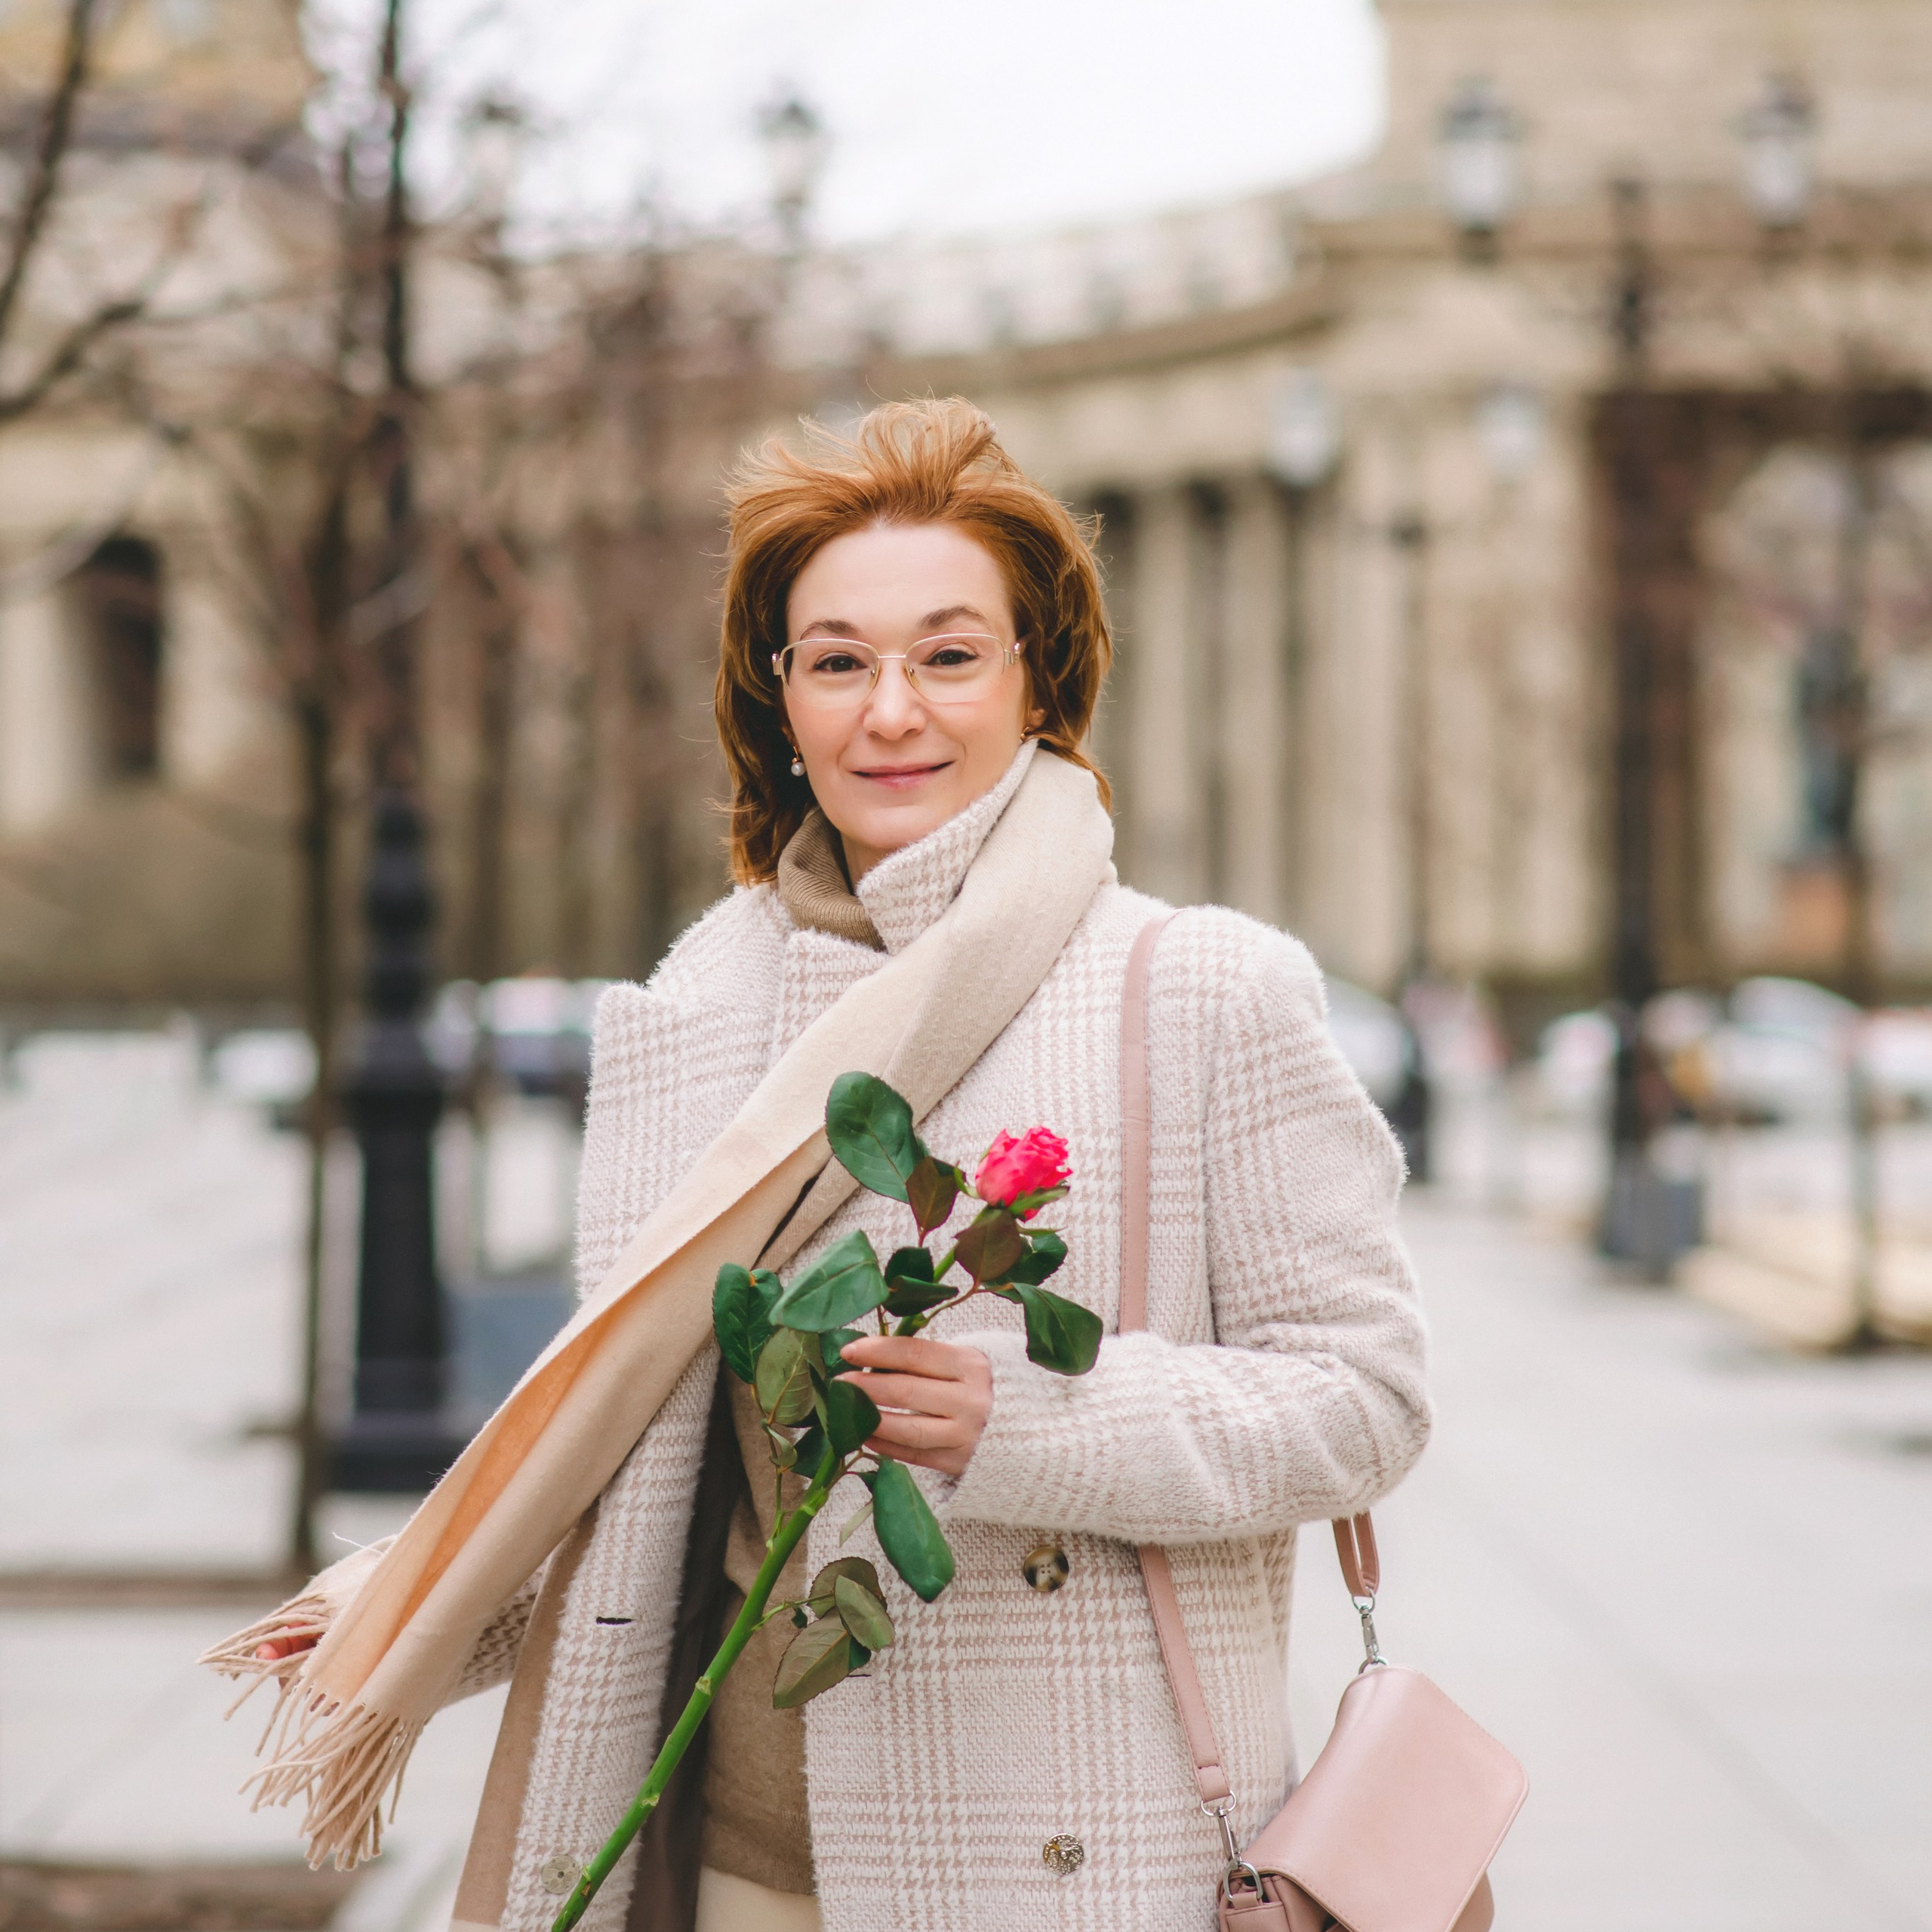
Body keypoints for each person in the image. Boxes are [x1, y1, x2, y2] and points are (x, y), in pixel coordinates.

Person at [215, 398, 1429, 1932]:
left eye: (948, 652)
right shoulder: (687, 1018)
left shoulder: (1196, 990)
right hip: (734, 1863)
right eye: (838, 659)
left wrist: (1031, 1412)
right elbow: (639, 1457)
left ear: (1039, 680)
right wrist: (408, 1602)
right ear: (773, 697)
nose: (890, 710)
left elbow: (1365, 1396)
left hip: (1070, 1861)